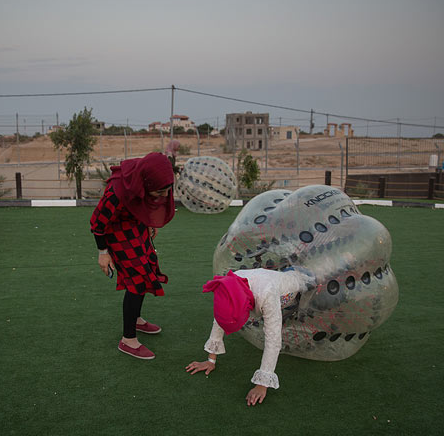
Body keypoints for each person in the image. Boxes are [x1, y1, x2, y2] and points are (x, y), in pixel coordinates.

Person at [90, 152, 175, 360]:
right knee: (136, 280)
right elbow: (97, 223)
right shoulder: (116, 192)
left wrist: (147, 222)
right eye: (159, 192)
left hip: (135, 227)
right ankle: (128, 340)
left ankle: (135, 318)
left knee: (146, 269)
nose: (164, 196)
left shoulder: (142, 176)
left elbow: (141, 203)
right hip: (116, 233)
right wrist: (103, 253)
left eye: (167, 191)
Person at [186, 267, 314, 406]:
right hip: (278, 279)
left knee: (322, 294)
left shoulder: (266, 293)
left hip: (304, 283)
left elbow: (273, 339)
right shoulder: (229, 286)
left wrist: (262, 385)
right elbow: (219, 321)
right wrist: (211, 360)